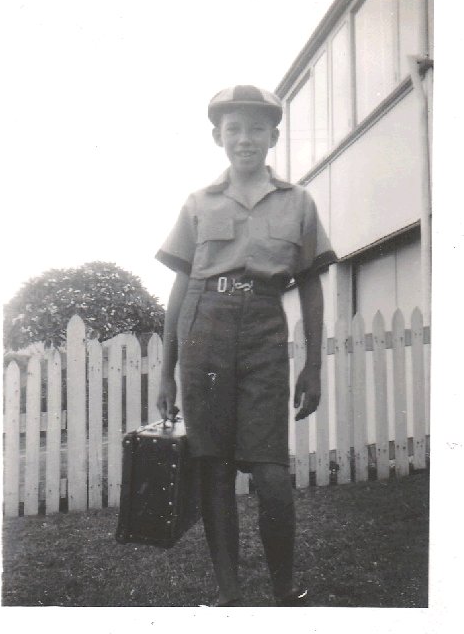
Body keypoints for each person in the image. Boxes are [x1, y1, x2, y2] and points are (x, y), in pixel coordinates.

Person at [155, 85, 336, 606]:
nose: (245, 138)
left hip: (263, 327)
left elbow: (310, 284)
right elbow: (179, 288)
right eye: (234, 128)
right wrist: (166, 373)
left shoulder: (298, 202)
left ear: (273, 136)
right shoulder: (198, 203)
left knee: (271, 472)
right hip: (204, 329)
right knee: (212, 466)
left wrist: (314, 365)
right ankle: (230, 594)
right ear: (218, 137)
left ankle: (283, 595)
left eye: (257, 127)